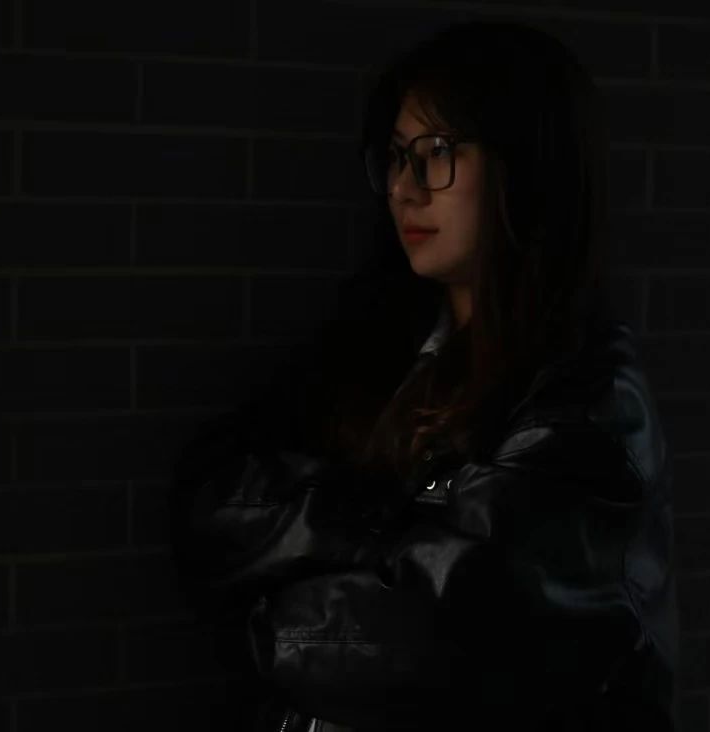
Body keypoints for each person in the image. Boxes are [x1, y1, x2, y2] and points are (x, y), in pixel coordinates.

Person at [168, 19, 680, 732]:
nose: (403, 189)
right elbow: (210, 502)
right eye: (396, 157)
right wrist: (382, 532)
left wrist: (263, 620)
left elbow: (427, 633)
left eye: (437, 153)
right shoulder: (373, 346)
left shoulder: (590, 403)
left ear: (525, 168)